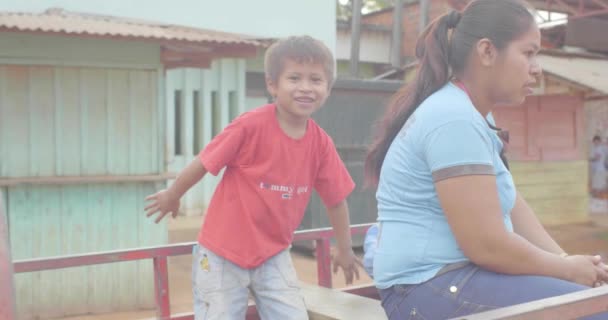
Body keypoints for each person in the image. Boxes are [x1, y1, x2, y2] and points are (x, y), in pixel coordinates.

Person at [364, 1, 608, 319]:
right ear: (487, 52)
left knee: (591, 296)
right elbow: (486, 245)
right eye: (528, 53)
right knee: (595, 310)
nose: (537, 67)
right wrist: (564, 269)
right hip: (426, 289)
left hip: (457, 278)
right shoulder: (454, 118)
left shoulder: (473, 114)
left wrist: (566, 260)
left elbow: (513, 205)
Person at [145, 35, 362, 320]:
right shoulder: (250, 126)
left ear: (328, 89)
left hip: (273, 254)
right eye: (294, 78)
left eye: (316, 80)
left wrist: (344, 250)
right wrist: (173, 195)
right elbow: (204, 161)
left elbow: (336, 201)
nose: (306, 88)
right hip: (223, 253)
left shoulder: (321, 144)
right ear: (273, 85)